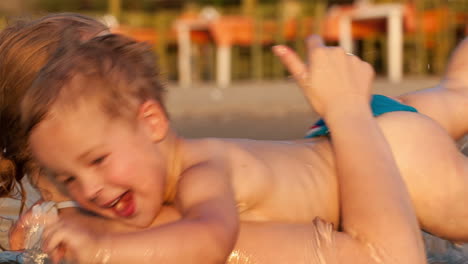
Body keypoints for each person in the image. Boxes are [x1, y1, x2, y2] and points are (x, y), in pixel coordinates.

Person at [0, 14, 422, 264]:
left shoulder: (56, 228)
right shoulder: (155, 235)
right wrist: (347, 111)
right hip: (379, 148)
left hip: (359, 146)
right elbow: (387, 259)